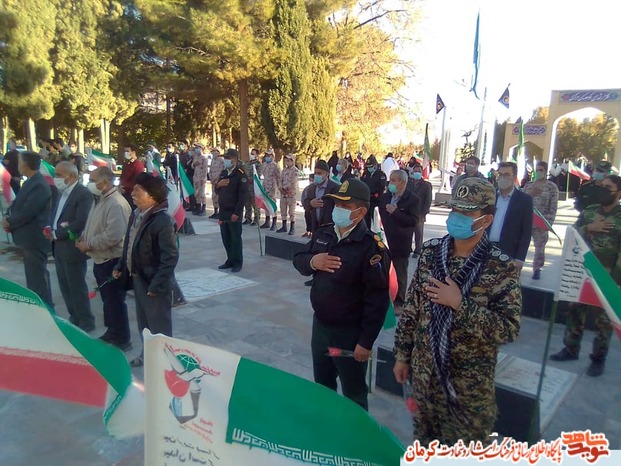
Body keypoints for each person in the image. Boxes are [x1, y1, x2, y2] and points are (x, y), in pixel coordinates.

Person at [393, 177, 521, 445]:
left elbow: (508, 330)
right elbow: (412, 310)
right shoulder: (431, 253)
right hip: (425, 379)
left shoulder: (501, 267)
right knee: (425, 448)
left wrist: (460, 304)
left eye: (467, 212)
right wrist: (402, 356)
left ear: (486, 220)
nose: (457, 217)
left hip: (467, 391)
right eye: (455, 209)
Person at [293, 178, 390, 410]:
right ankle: (327, 425)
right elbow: (298, 259)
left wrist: (365, 343)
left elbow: (377, 301)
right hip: (321, 328)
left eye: (345, 206)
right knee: (322, 385)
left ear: (361, 211)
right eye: (337, 204)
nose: (338, 209)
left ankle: (355, 432)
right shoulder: (324, 232)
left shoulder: (371, 247)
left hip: (349, 334)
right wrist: (313, 261)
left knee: (353, 393)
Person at [550, 174, 621, 377]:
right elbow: (572, 233)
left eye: (608, 188)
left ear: (618, 193)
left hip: (607, 276)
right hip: (582, 272)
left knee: (603, 321)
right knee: (574, 311)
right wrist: (589, 227)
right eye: (602, 186)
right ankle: (571, 348)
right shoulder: (590, 211)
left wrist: (616, 281)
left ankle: (598, 358)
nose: (602, 190)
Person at [113, 173, 179, 367]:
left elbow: (170, 258)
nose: (132, 193)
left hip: (154, 284)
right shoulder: (136, 214)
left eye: (138, 190)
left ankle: (164, 363)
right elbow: (129, 245)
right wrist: (121, 266)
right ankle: (147, 354)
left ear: (152, 196)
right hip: (139, 278)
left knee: (159, 326)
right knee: (144, 324)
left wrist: (156, 285)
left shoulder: (163, 221)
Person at [76, 167, 132, 350]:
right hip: (101, 259)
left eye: (93, 180)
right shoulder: (101, 199)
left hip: (112, 261)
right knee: (108, 301)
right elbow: (93, 224)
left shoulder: (116, 203)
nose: (90, 183)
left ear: (105, 182)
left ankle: (123, 338)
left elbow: (113, 235)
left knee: (115, 301)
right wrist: (83, 237)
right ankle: (112, 331)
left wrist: (89, 244)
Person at [46, 162, 95, 332]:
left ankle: (86, 321)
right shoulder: (61, 193)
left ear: (71, 176)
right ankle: (74, 317)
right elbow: (56, 214)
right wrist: (50, 228)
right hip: (58, 247)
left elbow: (80, 222)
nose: (56, 178)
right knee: (65, 286)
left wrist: (57, 233)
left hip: (72, 248)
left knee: (76, 287)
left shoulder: (83, 194)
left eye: (59, 175)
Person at [2, 151, 53, 307]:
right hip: (27, 238)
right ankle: (38, 305)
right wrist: (8, 217)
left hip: (34, 238)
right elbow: (18, 204)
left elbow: (29, 211)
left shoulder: (39, 185)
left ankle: (45, 308)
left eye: (19, 162)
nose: (18, 166)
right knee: (33, 276)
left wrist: (10, 222)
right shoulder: (31, 182)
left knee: (37, 277)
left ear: (25, 164)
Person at [379, 170, 420, 312]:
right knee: (383, 272)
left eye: (393, 180)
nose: (390, 183)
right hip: (385, 240)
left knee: (399, 273)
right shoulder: (385, 197)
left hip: (401, 242)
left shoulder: (412, 199)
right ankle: (385, 299)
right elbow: (381, 214)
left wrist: (395, 212)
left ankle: (399, 302)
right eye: (390, 180)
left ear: (402, 182)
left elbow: (413, 221)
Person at [488, 162, 533, 270]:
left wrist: (520, 258)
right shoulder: (489, 197)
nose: (502, 177)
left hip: (508, 253)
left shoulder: (524, 200)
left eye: (507, 174)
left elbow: (526, 232)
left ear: (514, 177)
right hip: (486, 249)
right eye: (500, 174)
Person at [523, 161, 559, 280]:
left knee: (539, 247)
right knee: (520, 245)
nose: (538, 172)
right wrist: (529, 193)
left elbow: (553, 206)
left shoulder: (551, 187)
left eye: (541, 170)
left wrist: (549, 223)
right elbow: (520, 200)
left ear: (545, 171)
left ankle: (537, 269)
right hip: (526, 220)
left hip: (541, 222)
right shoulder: (528, 185)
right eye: (537, 170)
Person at [214, 149, 248, 273]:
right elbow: (217, 190)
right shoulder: (224, 173)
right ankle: (230, 260)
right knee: (226, 238)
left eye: (228, 158)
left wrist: (237, 213)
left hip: (233, 212)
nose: (226, 160)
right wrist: (218, 185)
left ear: (235, 159)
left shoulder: (240, 174)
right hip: (223, 212)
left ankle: (237, 262)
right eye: (225, 158)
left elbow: (242, 196)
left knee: (235, 239)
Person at [302, 160, 340, 234]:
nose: (316, 175)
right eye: (315, 173)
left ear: (327, 174)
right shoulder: (311, 188)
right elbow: (305, 203)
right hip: (315, 226)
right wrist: (310, 203)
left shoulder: (335, 188)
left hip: (329, 227)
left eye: (319, 173)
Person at [407, 163, 432, 257]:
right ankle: (408, 249)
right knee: (408, 232)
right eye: (415, 171)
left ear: (422, 172)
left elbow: (428, 200)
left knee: (418, 233)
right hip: (408, 212)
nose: (417, 173)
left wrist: (423, 213)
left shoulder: (426, 185)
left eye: (419, 171)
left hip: (420, 212)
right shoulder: (408, 183)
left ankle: (417, 250)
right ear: (412, 172)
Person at [361, 155, 387, 227]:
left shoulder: (381, 174)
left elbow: (381, 187)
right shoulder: (365, 173)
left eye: (370, 166)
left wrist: (373, 193)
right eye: (368, 167)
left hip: (376, 200)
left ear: (375, 165)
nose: (369, 168)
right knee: (366, 219)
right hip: (366, 199)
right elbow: (362, 183)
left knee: (375, 220)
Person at [277, 153, 299, 235]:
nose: (287, 162)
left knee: (291, 211)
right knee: (283, 210)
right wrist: (280, 187)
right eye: (286, 160)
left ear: (293, 161)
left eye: (289, 160)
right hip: (283, 194)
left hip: (291, 194)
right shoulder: (284, 170)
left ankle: (292, 228)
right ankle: (284, 226)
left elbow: (293, 182)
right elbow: (280, 180)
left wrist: (285, 187)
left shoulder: (295, 171)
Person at [119, 144, 145, 210]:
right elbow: (122, 176)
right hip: (123, 193)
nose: (125, 153)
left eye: (127, 151)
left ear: (133, 152)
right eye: (125, 151)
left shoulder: (138, 165)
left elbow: (137, 181)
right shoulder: (126, 164)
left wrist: (125, 186)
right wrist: (120, 185)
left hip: (132, 195)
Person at [260, 148, 280, 231]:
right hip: (265, 185)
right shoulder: (264, 164)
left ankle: (274, 223)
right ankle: (267, 221)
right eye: (267, 155)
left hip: (272, 187)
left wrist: (279, 187)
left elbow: (279, 177)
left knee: (272, 204)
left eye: (269, 155)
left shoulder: (275, 165)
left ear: (272, 156)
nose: (267, 157)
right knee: (266, 204)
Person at [242, 148, 262, 225]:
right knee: (247, 203)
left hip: (254, 187)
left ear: (257, 155)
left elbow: (258, 175)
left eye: (253, 154)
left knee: (255, 204)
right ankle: (248, 218)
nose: (251, 155)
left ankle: (256, 219)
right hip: (247, 186)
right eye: (251, 153)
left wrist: (251, 179)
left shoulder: (258, 164)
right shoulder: (247, 164)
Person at [191, 143, 209, 216]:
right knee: (196, 193)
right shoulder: (195, 157)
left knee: (202, 194)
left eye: (198, 148)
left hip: (201, 178)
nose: (196, 149)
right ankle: (198, 208)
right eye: (196, 148)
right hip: (196, 177)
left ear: (201, 148)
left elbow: (205, 169)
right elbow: (192, 166)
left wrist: (203, 178)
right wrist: (194, 164)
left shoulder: (204, 158)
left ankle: (203, 209)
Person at [208, 148, 224, 218]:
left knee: (219, 197)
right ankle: (215, 212)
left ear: (218, 152)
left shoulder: (221, 160)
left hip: (219, 181)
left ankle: (220, 212)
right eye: (212, 152)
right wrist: (211, 178)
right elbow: (210, 171)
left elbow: (222, 171)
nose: (213, 153)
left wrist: (216, 179)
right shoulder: (213, 160)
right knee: (214, 196)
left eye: (214, 151)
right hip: (213, 182)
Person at [300, 173, 315, 237]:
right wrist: (304, 205)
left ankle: (313, 232)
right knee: (307, 218)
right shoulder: (307, 188)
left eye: (312, 180)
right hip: (307, 207)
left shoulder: (316, 188)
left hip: (314, 208)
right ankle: (308, 231)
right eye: (310, 180)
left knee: (313, 220)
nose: (310, 181)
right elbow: (303, 197)